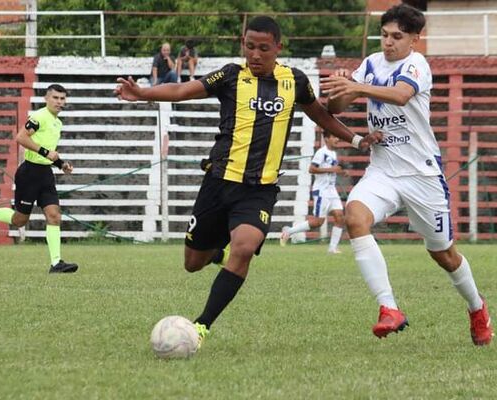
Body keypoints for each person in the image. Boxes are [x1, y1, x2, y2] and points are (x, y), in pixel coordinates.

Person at [115, 16, 381, 346]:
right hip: (218, 182)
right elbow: (183, 89)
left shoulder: (294, 81)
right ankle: (220, 255)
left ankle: (201, 326)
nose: (255, 54)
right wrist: (141, 93)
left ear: (278, 48)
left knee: (244, 247)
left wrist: (357, 140)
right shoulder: (230, 75)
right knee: (192, 263)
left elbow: (321, 115)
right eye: (249, 46)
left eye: (263, 48)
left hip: (259, 189)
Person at [320, 4, 493, 345]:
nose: (388, 43)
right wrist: (341, 87)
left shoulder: (417, 64)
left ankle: (477, 308)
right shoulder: (370, 63)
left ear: (416, 38)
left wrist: (358, 88)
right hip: (383, 170)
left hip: (421, 175)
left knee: (443, 254)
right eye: (384, 35)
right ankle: (389, 309)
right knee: (355, 218)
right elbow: (336, 109)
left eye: (397, 37)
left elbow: (400, 95)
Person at [0, 84, 79, 274]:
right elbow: (21, 137)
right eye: (56, 98)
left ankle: (56, 263)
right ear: (46, 98)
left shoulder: (58, 122)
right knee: (19, 220)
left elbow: (49, 151)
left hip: (45, 175)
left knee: (54, 215)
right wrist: (45, 152)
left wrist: (61, 165)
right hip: (29, 174)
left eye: (62, 98)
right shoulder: (38, 117)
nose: (59, 102)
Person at [280, 131, 346, 254]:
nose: (337, 139)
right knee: (318, 222)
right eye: (334, 136)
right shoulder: (321, 152)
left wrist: (340, 172)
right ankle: (289, 231)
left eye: (338, 137)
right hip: (322, 191)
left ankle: (332, 248)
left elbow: (331, 170)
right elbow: (312, 169)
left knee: (339, 217)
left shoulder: (333, 153)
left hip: (332, 190)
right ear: (326, 139)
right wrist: (332, 169)